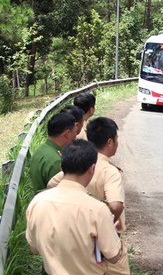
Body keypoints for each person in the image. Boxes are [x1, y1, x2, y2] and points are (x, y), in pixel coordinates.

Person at [26, 140, 126, 274]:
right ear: (92, 169)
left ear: (62, 167)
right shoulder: (98, 210)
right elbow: (114, 257)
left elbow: (34, 248)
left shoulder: (37, 202)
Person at [48, 117, 130, 274]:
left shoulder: (80, 163)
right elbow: (115, 205)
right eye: (117, 139)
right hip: (104, 240)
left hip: (76, 237)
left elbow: (52, 184)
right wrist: (106, 222)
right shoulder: (109, 171)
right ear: (110, 142)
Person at [29, 112, 77, 193]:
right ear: (67, 134)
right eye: (75, 132)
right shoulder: (57, 161)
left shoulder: (40, 150)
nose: (76, 136)